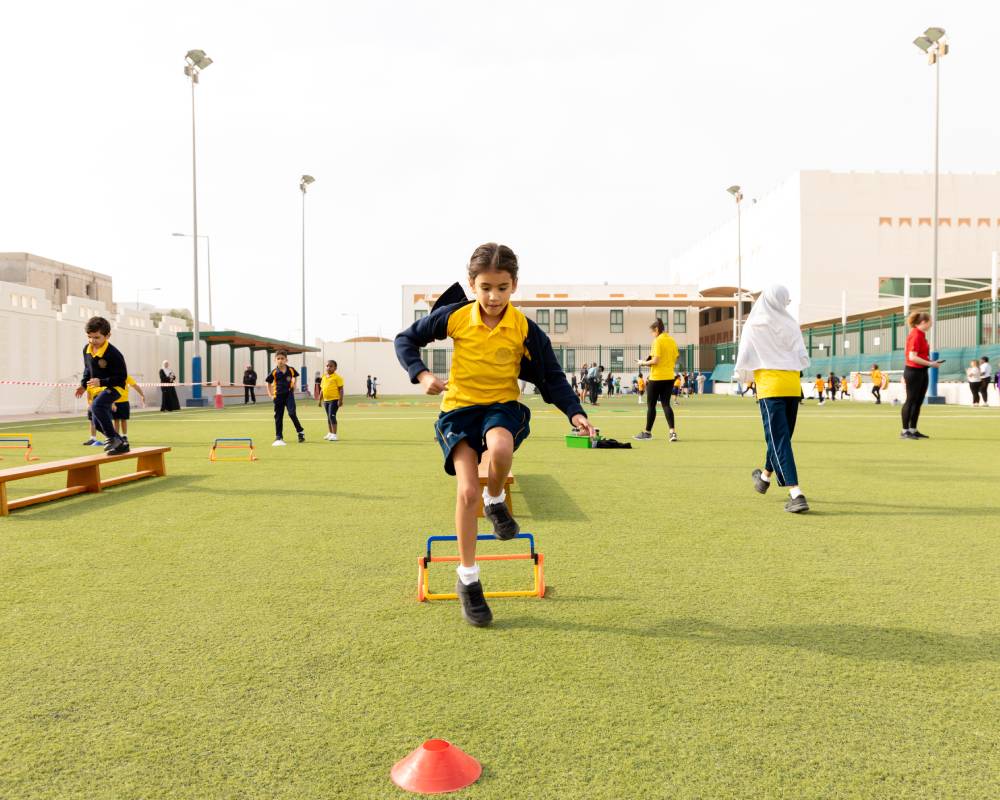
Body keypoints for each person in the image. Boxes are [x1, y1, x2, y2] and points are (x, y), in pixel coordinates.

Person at [394, 242, 593, 627]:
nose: (493, 296)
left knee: (501, 446)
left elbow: (551, 375)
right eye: (485, 287)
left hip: (501, 406)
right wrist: (422, 375)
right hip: (458, 410)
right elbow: (405, 340)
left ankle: (496, 497)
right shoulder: (454, 317)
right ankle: (468, 579)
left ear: (514, 286)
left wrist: (575, 412)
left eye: (502, 288)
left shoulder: (523, 328)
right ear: (472, 284)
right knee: (466, 491)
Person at [736, 284, 811, 513]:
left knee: (779, 439)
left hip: (770, 387)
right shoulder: (791, 323)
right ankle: (765, 478)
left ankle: (796, 493)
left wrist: (745, 377)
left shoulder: (755, 323)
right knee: (782, 437)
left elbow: (745, 355)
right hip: (791, 385)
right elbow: (801, 356)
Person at [73, 316, 130, 455]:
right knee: (95, 420)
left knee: (96, 406)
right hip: (98, 389)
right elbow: (88, 369)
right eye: (89, 337)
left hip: (115, 387)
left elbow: (122, 377)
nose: (93, 341)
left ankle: (112, 438)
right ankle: (121, 443)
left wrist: (102, 382)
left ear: (108, 335)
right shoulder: (87, 349)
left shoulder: (114, 354)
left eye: (97, 337)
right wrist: (83, 385)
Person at [634, 317, 679, 442]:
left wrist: (643, 362)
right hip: (669, 377)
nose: (652, 334)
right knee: (666, 404)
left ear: (657, 329)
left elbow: (655, 360)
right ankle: (672, 433)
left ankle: (647, 432)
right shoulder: (672, 340)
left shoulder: (657, 341)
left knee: (651, 406)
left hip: (657, 378)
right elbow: (676, 357)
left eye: (652, 332)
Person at [900, 311, 943, 439]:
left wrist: (930, 363)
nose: (931, 325)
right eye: (930, 322)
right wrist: (931, 364)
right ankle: (904, 431)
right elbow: (912, 357)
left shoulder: (921, 335)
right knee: (911, 400)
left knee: (918, 402)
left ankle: (913, 429)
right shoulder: (915, 335)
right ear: (923, 322)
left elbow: (920, 355)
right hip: (913, 372)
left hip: (922, 371)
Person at [266, 350, 305, 446]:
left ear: (286, 360)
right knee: (278, 416)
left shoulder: (291, 370)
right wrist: (270, 395)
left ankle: (300, 431)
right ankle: (279, 436)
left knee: (292, 413)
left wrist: (294, 384)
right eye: (278, 359)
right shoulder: (274, 372)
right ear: (275, 360)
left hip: (289, 395)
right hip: (278, 396)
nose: (280, 360)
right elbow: (268, 383)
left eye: (282, 359)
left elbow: (295, 376)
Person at [112, 375, 145, 443]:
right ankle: (116, 437)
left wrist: (142, 395)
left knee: (124, 419)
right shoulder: (112, 377)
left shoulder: (126, 376)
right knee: (116, 420)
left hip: (124, 401)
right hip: (114, 402)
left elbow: (135, 386)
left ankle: (124, 436)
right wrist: (112, 402)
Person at [319, 359, 345, 440]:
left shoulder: (337, 377)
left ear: (335, 368)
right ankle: (330, 433)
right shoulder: (323, 377)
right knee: (328, 417)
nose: (328, 367)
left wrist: (340, 400)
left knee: (332, 416)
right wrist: (320, 400)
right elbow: (322, 389)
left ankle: (334, 435)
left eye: (331, 366)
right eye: (327, 366)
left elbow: (341, 389)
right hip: (326, 400)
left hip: (334, 400)